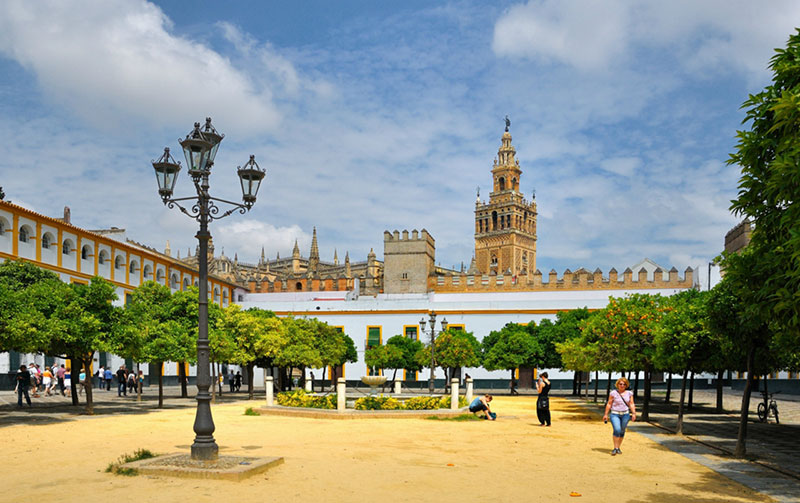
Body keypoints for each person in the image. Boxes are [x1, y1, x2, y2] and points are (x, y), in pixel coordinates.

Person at [603, 377, 637, 456]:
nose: (622, 385)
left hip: (625, 414)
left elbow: (631, 403)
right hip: (615, 414)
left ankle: (618, 447)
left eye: (624, 384)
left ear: (626, 385)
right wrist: (605, 414)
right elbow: (609, 403)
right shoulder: (613, 393)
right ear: (617, 385)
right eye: (620, 384)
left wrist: (634, 413)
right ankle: (615, 448)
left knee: (622, 431)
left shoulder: (629, 393)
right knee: (617, 429)